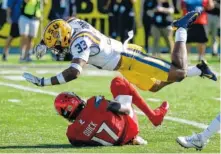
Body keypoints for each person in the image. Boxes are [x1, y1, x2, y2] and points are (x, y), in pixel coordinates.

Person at [23, 11, 217, 94]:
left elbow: (74, 72)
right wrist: (43, 42)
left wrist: (43, 82)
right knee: (154, 87)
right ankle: (200, 69)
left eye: (56, 44)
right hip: (122, 64)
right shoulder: (72, 24)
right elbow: (68, 19)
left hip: (129, 57)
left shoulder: (79, 42)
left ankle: (181, 28)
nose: (57, 48)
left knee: (179, 73)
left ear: (65, 37)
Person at [54, 76, 169, 146]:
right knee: (118, 82)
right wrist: (126, 108)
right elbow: (121, 109)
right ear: (75, 100)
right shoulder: (93, 102)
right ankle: (154, 116)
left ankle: (131, 140)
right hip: (130, 127)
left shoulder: (72, 135)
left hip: (118, 141)